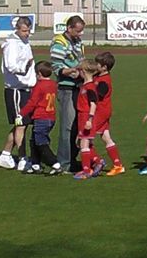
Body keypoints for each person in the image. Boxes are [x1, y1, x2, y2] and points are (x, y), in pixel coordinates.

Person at [0, 16, 36, 170]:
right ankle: (22, 158)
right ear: (17, 29)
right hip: (15, 89)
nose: (27, 33)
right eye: (24, 31)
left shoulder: (25, 42)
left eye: (28, 30)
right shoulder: (12, 44)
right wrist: (24, 69)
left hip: (26, 88)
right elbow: (10, 65)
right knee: (20, 124)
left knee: (22, 125)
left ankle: (5, 155)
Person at [51, 15, 86, 172]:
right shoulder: (59, 43)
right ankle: (64, 163)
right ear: (69, 28)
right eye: (78, 31)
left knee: (77, 126)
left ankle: (72, 158)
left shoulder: (78, 41)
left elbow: (81, 60)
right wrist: (74, 71)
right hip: (66, 89)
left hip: (79, 87)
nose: (80, 34)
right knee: (67, 127)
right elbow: (57, 67)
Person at [20, 61, 61, 174]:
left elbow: (32, 102)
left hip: (41, 117)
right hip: (50, 117)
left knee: (41, 143)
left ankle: (55, 164)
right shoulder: (53, 84)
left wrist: (21, 113)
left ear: (38, 73)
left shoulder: (39, 86)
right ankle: (35, 164)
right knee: (33, 140)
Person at [93, 52, 125, 175]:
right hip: (104, 111)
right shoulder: (99, 76)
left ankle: (98, 161)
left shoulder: (104, 81)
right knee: (106, 137)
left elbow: (97, 95)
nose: (95, 66)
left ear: (104, 67)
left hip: (100, 111)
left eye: (98, 64)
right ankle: (118, 165)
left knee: (84, 139)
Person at [72, 61, 105, 180]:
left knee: (84, 144)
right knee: (84, 143)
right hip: (82, 117)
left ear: (84, 72)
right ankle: (98, 161)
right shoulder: (85, 86)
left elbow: (93, 104)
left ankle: (86, 170)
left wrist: (90, 119)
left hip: (86, 117)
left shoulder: (90, 87)